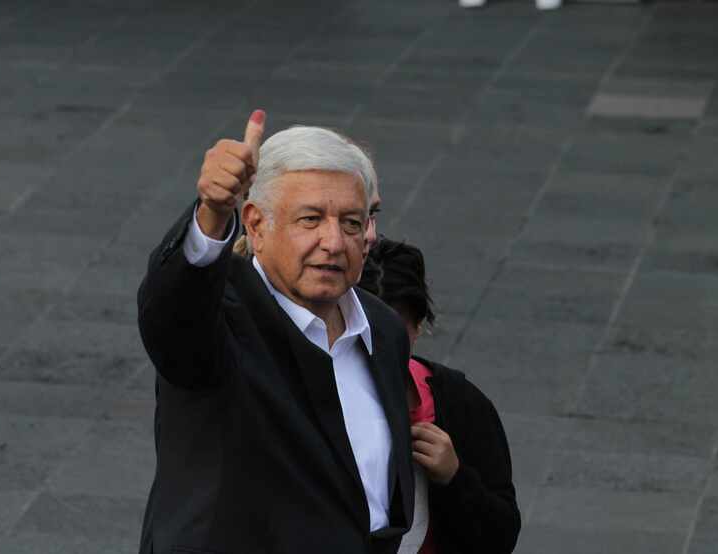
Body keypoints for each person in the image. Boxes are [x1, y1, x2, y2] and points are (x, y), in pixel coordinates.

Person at [137, 110, 415, 554]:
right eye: (310, 219)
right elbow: (172, 316)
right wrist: (211, 214)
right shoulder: (221, 322)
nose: (333, 242)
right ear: (255, 224)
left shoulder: (381, 328)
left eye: (350, 222)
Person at [359, 237, 521, 554]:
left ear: (418, 328)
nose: (377, 351)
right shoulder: (314, 397)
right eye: (364, 334)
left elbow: (500, 536)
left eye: (395, 336)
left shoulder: (461, 404)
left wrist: (455, 476)